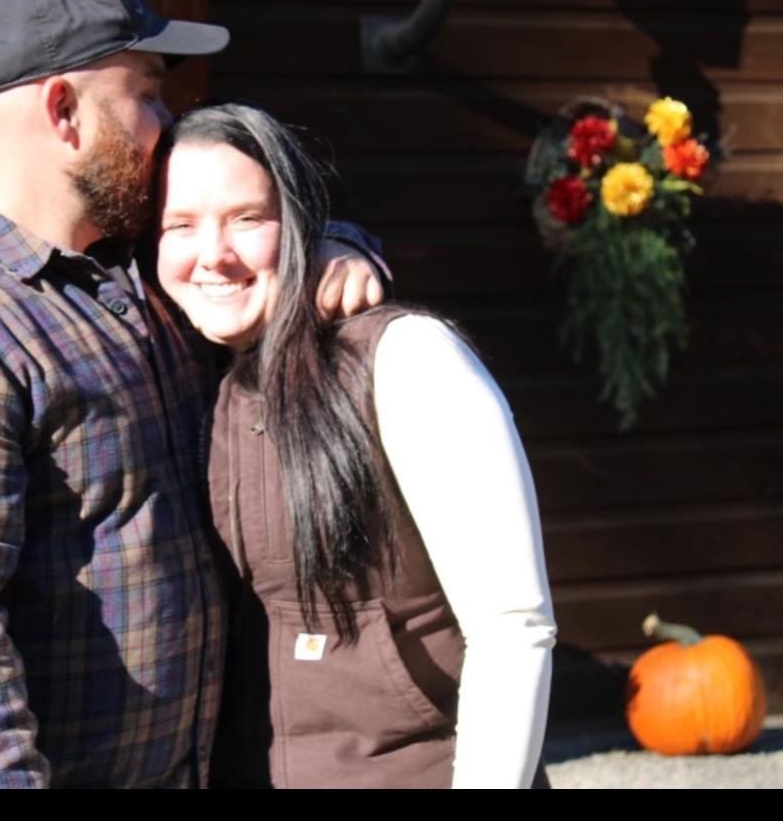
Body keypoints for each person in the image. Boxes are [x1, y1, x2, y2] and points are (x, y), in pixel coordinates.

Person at [0, 0, 383, 788]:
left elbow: (256, 241)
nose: (165, 124)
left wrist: (331, 247)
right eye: (146, 93)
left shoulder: (139, 269)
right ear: (64, 111)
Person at [156, 103, 557, 789]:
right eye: (181, 225)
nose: (214, 253)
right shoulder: (185, 373)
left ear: (297, 225)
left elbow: (512, 626)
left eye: (248, 219)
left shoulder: (402, 359)